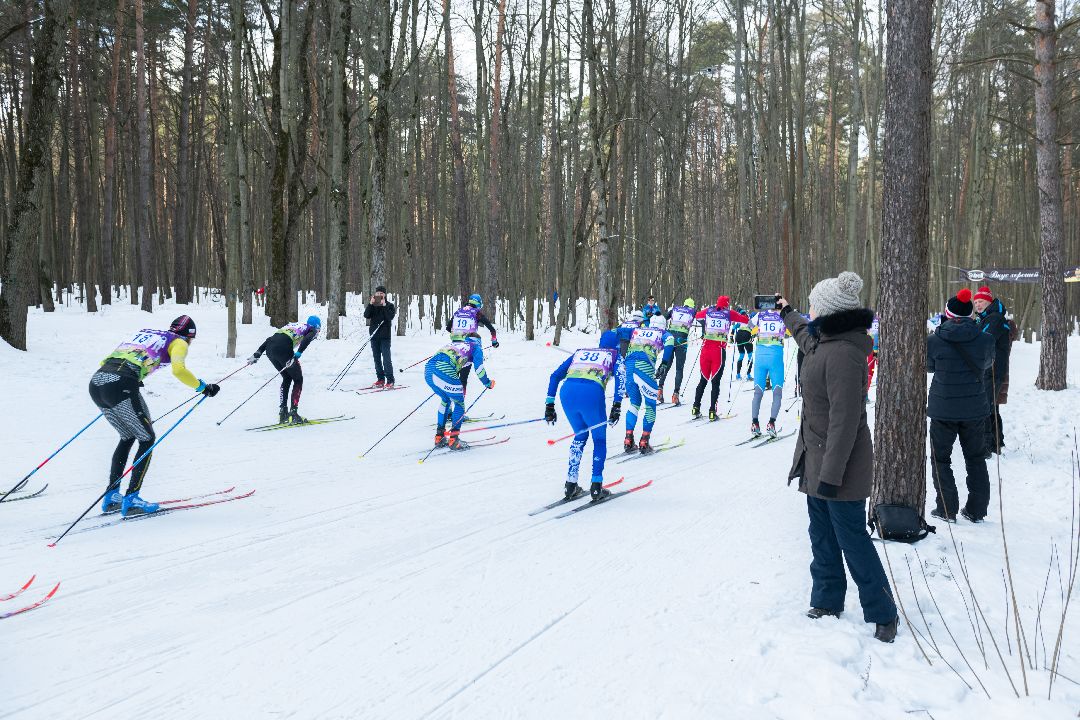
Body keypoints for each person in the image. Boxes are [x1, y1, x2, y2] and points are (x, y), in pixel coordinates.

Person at [776, 273, 899, 643]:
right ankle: (827, 600)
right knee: (821, 535)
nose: (810, 310)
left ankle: (883, 613)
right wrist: (787, 313)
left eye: (814, 305)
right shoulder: (823, 340)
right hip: (816, 460)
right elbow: (803, 333)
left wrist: (831, 476)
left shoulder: (844, 354)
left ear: (828, 312)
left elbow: (845, 422)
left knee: (852, 541)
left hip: (840, 467)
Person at [90, 316, 220, 517]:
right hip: (121, 384)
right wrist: (203, 387)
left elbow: (112, 359)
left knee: (127, 436)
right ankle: (131, 499)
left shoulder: (146, 333)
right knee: (147, 438)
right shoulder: (179, 342)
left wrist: (134, 376)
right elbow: (179, 370)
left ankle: (112, 497)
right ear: (189, 336)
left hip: (97, 381)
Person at [927, 288, 995, 523]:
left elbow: (929, 366)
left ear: (947, 314)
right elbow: (987, 363)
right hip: (974, 408)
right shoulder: (985, 339)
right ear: (970, 314)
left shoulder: (934, 340)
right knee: (976, 458)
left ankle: (946, 508)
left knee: (940, 459)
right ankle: (976, 510)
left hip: (942, 409)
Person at [545, 330, 626, 501]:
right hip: (591, 394)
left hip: (567, 393)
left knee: (580, 435)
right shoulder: (615, 355)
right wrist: (617, 405)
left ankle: (570, 484)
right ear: (617, 346)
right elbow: (621, 379)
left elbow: (555, 376)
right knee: (599, 439)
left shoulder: (580, 352)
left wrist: (549, 405)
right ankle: (596, 486)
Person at [425, 336, 495, 450]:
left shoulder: (458, 344)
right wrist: (487, 382)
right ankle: (454, 440)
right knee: (459, 403)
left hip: (428, 370)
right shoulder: (476, 347)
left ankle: (439, 437)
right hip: (444, 369)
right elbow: (479, 369)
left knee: (445, 400)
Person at [250, 315, 322, 425]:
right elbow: (308, 338)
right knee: (298, 379)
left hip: (270, 350)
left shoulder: (293, 325)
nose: (317, 333)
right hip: (283, 348)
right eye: (319, 330)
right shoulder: (310, 328)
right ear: (317, 327)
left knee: (287, 378)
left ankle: (283, 413)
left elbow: (270, 339)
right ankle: (293, 413)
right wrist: (299, 352)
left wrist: (258, 353)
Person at [622, 314, 674, 453]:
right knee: (650, 405)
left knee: (634, 403)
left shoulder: (637, 329)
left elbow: (621, 336)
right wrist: (664, 363)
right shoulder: (662, 332)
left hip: (629, 366)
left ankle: (628, 439)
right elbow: (670, 341)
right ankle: (644, 441)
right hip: (644, 367)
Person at [692, 296, 749, 421]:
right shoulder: (729, 313)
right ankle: (712, 411)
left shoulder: (709, 310)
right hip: (718, 351)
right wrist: (743, 313)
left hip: (705, 350)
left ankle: (695, 407)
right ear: (727, 305)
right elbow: (745, 320)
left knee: (703, 380)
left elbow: (697, 316)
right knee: (715, 382)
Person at [973, 286, 1011, 454]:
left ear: (989, 301)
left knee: (985, 407)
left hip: (992, 370)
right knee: (991, 407)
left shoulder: (994, 318)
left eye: (981, 301)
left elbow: (982, 340)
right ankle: (997, 442)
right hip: (990, 369)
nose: (977, 305)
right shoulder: (987, 318)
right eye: (975, 302)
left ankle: (987, 446)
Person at [748, 302, 787, 437]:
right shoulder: (783, 315)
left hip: (760, 356)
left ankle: (754, 424)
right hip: (775, 357)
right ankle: (771, 423)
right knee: (777, 392)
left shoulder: (761, 314)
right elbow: (790, 331)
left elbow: (749, 325)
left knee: (758, 392)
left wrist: (757, 330)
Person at [448, 293, 499, 394]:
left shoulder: (458, 311)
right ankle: (461, 401)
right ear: (479, 304)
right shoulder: (476, 312)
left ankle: (450, 398)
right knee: (463, 378)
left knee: (454, 376)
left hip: (455, 346)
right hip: (468, 346)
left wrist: (459, 334)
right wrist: (494, 341)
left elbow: (448, 327)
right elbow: (491, 328)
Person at [659, 298, 696, 404]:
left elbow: (663, 318)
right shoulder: (692, 311)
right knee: (679, 368)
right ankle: (675, 394)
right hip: (681, 341)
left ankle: (659, 389)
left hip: (670, 338)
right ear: (692, 306)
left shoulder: (675, 309)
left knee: (666, 365)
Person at [364, 285, 396, 388]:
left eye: (381, 293)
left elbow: (389, 317)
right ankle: (380, 379)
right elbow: (366, 315)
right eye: (377, 293)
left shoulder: (390, 305)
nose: (379, 295)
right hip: (374, 336)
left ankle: (390, 380)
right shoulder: (373, 305)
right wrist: (370, 304)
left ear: (385, 295)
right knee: (376, 359)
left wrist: (384, 305)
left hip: (385, 337)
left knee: (386, 359)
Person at [733, 310, 754, 380]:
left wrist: (732, 336)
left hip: (738, 336)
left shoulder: (740, 320)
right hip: (746, 336)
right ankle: (748, 375)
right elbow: (754, 329)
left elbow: (734, 327)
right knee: (750, 356)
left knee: (741, 355)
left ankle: (738, 375)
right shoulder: (749, 320)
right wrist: (753, 335)